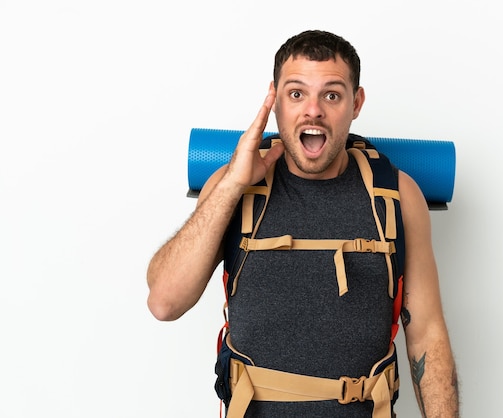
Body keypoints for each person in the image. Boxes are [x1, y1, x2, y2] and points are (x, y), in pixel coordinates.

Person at [147, 30, 459, 417]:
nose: (313, 110)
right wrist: (231, 185)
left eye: (331, 94)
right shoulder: (231, 185)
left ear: (356, 103)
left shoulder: (397, 194)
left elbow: (426, 333)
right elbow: (164, 302)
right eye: (296, 93)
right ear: (274, 99)